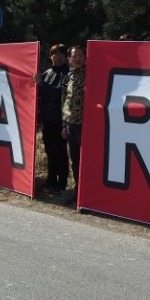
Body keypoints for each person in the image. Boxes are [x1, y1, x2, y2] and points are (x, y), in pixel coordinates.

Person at [33, 44, 70, 192]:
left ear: (66, 57)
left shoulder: (68, 73)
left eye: (62, 54)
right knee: (50, 151)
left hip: (60, 120)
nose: (59, 56)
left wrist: (41, 83)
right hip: (47, 120)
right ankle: (50, 180)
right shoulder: (47, 72)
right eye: (56, 54)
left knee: (60, 153)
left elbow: (60, 92)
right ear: (51, 56)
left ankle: (61, 184)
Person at [61, 45, 86, 204]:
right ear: (69, 59)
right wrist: (64, 125)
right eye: (74, 56)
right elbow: (65, 101)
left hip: (85, 125)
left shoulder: (91, 73)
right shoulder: (68, 76)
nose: (77, 59)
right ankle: (77, 190)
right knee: (75, 159)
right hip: (70, 124)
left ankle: (86, 192)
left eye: (80, 56)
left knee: (86, 160)